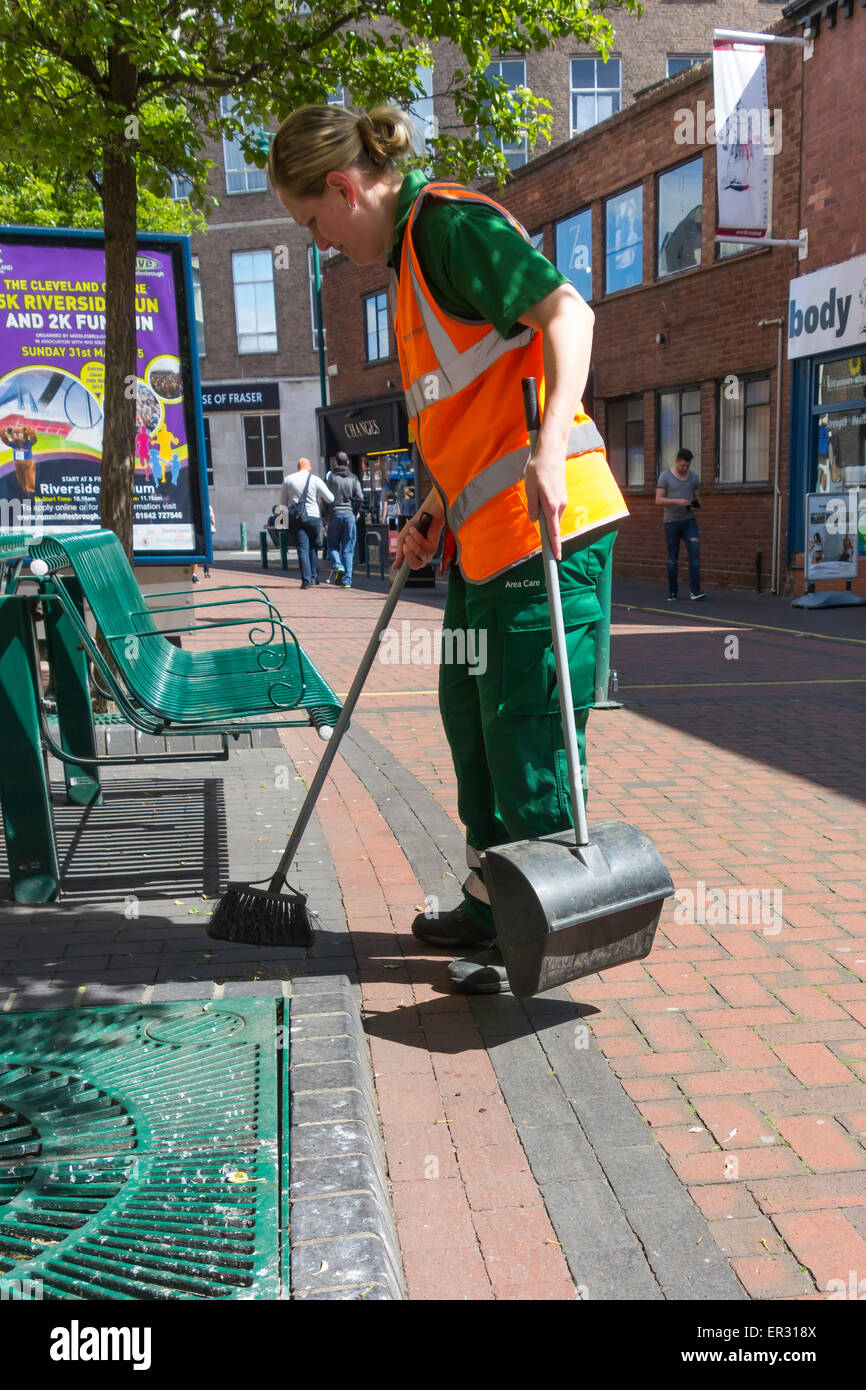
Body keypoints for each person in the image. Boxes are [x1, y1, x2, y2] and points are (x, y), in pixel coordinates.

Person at [268, 104, 627, 993]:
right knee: (471, 718)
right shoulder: (407, 270)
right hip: (481, 537)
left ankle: (531, 934)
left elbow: (566, 315)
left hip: (548, 529)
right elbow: (473, 408)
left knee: (527, 725)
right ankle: (488, 892)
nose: (317, 245)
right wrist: (431, 505)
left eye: (314, 222)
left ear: (346, 188)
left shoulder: (453, 227)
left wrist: (550, 445)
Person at [655, 447, 706, 601]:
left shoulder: (694, 478)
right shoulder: (665, 476)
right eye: (682, 465)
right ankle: (672, 592)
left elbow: (698, 500)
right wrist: (678, 501)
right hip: (671, 522)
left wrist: (695, 506)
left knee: (695, 555)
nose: (685, 468)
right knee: (672, 557)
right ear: (677, 461)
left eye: (687, 466)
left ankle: (695, 591)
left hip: (689, 521)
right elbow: (658, 500)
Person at [280, 456, 333, 588]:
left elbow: (282, 504)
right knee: (313, 547)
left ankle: (306, 581)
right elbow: (330, 498)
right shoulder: (315, 479)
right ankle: (315, 577)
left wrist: (284, 523)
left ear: (298, 467)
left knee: (302, 549)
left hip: (297, 518)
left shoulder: (288, 480)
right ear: (308, 467)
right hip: (313, 516)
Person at [325, 450, 364, 586]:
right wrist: (355, 510)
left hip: (334, 514)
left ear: (336, 462)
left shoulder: (330, 478)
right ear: (347, 462)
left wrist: (325, 514)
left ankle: (337, 565)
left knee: (332, 545)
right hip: (349, 515)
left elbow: (325, 498)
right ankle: (347, 580)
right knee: (348, 549)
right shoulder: (353, 478)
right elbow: (360, 497)